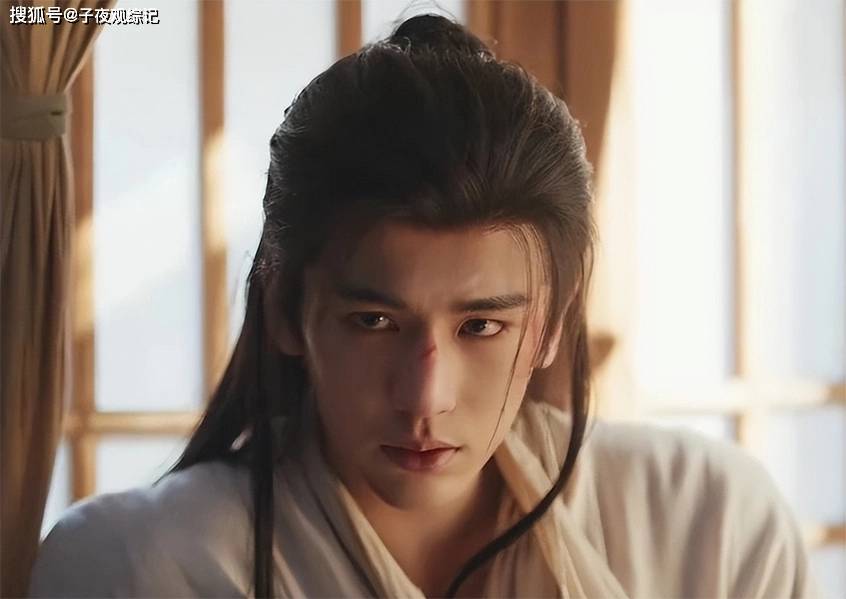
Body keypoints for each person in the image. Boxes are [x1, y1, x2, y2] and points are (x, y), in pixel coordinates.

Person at [29, 14, 818, 599]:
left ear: (550, 322)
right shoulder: (137, 565)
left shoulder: (708, 526)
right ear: (286, 309)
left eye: (482, 325)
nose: (425, 396)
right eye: (374, 321)